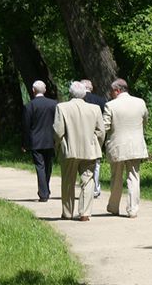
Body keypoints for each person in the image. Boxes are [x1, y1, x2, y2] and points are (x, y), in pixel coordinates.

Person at [53, 81, 105, 221]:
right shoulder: (95, 109)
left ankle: (67, 212)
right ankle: (85, 213)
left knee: (68, 181)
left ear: (70, 93)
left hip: (69, 150)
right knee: (88, 181)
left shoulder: (62, 107)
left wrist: (58, 146)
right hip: (90, 149)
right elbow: (101, 131)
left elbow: (58, 131)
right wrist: (96, 145)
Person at [103, 78, 149, 218]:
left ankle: (113, 207)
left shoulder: (110, 105)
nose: (110, 94)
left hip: (117, 146)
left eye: (111, 91)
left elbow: (105, 126)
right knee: (134, 177)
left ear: (117, 90)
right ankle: (133, 209)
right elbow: (145, 121)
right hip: (136, 146)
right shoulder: (140, 102)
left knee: (116, 177)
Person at [22, 80, 58, 202]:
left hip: (35, 141)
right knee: (48, 166)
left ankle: (43, 193)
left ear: (33, 90)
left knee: (40, 167)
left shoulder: (29, 106)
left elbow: (26, 127)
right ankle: (45, 189)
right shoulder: (53, 104)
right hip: (50, 140)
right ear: (45, 90)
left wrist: (25, 143)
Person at [80, 79, 107, 198]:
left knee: (81, 163)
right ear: (91, 88)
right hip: (95, 136)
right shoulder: (101, 101)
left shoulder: (78, 100)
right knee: (96, 164)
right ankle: (96, 188)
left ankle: (85, 186)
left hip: (81, 135)